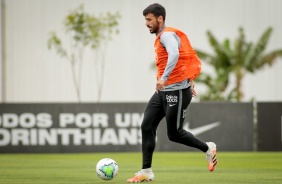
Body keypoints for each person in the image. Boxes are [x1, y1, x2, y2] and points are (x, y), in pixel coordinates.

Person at [127, 3, 217, 183]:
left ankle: (208, 148)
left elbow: (175, 54)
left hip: (176, 91)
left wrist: (164, 78)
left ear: (160, 18)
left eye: (149, 19)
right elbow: (184, 58)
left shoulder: (166, 35)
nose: (146, 23)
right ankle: (146, 171)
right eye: (145, 19)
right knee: (147, 125)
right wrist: (188, 78)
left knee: (174, 133)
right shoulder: (163, 35)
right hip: (163, 92)